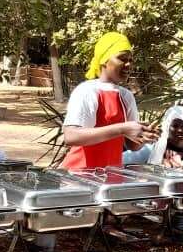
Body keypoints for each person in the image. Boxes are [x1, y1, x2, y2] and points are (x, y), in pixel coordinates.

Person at [61, 32, 157, 170]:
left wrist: (145, 136)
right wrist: (121, 129)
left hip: (110, 176)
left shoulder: (126, 96)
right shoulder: (87, 91)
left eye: (131, 59)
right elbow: (71, 136)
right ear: (104, 60)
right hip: (79, 176)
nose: (129, 64)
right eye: (122, 58)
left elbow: (133, 146)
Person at [123, 105, 183, 173]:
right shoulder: (154, 149)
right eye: (175, 126)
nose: (180, 130)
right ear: (167, 126)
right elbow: (124, 160)